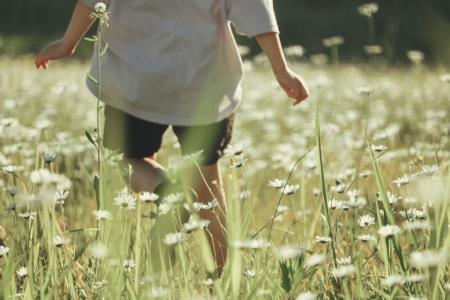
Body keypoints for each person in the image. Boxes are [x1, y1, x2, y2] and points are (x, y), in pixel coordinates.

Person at [35, 0, 309, 275]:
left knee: (124, 161)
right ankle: (222, 279)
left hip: (135, 81)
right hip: (205, 85)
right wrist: (281, 69)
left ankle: (168, 194)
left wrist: (67, 43)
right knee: (207, 185)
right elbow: (255, 7)